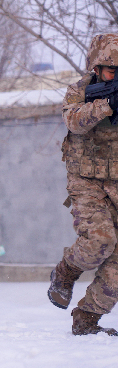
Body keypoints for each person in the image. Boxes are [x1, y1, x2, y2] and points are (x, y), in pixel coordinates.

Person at [49, 33, 118, 336]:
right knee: (99, 241)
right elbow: (74, 122)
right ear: (97, 67)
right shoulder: (80, 90)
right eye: (112, 70)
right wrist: (107, 105)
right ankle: (66, 271)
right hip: (86, 181)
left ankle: (87, 318)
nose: (115, 75)